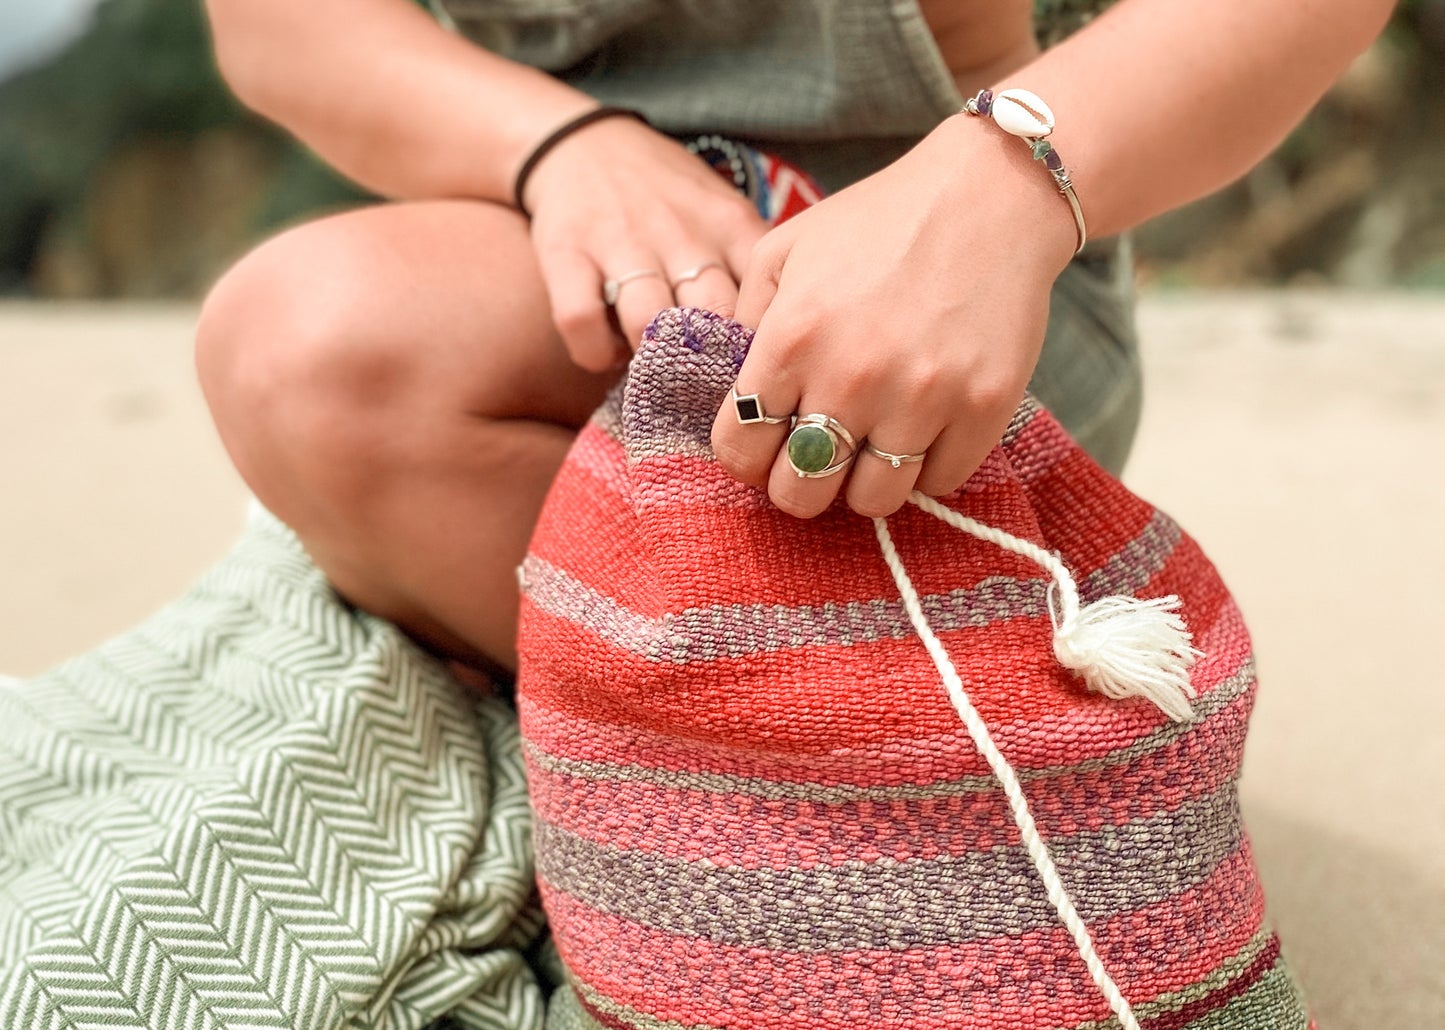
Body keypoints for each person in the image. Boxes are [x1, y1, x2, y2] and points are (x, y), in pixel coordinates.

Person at [195, 0, 1391, 675]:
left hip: (977, 277)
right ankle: (748, 804)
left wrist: (1007, 184)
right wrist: (566, 149)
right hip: (550, 260)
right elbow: (283, 27)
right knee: (312, 348)